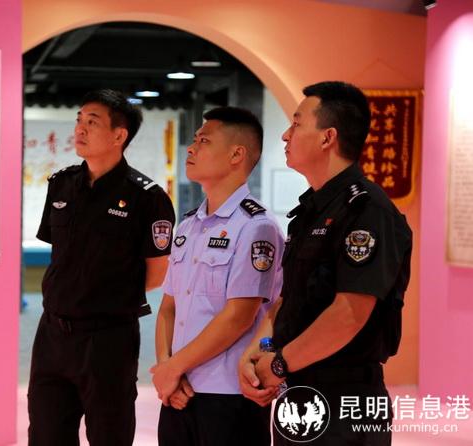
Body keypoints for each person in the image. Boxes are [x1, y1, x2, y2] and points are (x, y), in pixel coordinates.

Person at [239, 81, 412, 445]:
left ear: (327, 137)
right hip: (298, 388)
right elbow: (289, 300)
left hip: (345, 397)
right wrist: (260, 349)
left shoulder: (367, 210)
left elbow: (349, 314)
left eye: (297, 123)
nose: (286, 134)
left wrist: (280, 363)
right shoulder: (310, 210)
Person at [28, 89, 176, 446]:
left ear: (118, 135)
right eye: (79, 120)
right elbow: (60, 256)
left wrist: (106, 297)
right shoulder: (62, 184)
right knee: (46, 434)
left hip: (108, 339)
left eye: (92, 122)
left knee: (109, 435)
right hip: (52, 335)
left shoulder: (147, 197)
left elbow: (157, 273)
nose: (80, 129)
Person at [151, 107, 283, 446]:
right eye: (195, 140)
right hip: (178, 391)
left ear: (237, 155)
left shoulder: (256, 227)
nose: (191, 148)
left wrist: (172, 368)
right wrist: (167, 368)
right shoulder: (188, 226)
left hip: (228, 395)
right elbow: (168, 307)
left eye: (204, 141)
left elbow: (239, 316)